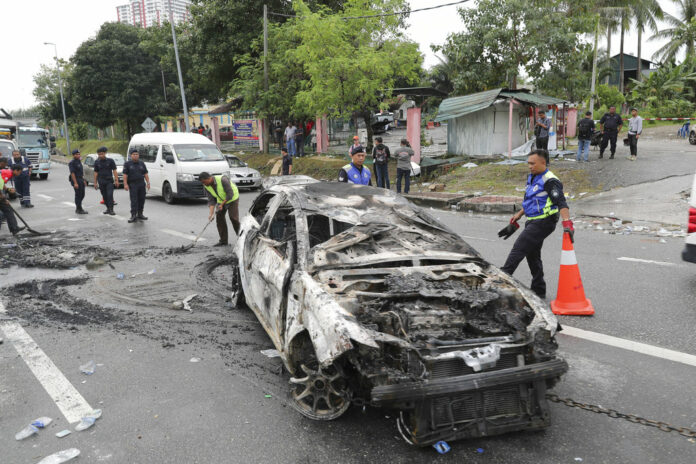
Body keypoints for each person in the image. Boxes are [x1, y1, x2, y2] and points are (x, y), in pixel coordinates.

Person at [498, 149, 573, 299]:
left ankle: (501, 281)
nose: (530, 166)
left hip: (545, 221)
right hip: (533, 220)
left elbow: (561, 202)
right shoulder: (532, 177)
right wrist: (518, 215)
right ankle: (539, 289)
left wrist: (567, 223)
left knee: (519, 247)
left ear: (543, 163)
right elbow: (531, 200)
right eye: (528, 164)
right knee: (532, 254)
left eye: (533, 163)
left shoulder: (550, 180)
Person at [199, 172, 240, 246]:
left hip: (233, 199)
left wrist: (222, 204)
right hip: (221, 200)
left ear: (209, 178)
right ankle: (223, 241)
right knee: (219, 218)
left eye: (204, 182)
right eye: (202, 183)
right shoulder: (206, 186)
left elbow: (230, 194)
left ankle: (241, 238)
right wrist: (211, 214)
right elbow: (211, 201)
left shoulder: (223, 180)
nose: (204, 184)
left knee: (233, 218)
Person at [123, 148, 150, 223]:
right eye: (134, 154)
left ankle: (140, 214)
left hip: (141, 183)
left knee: (142, 199)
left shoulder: (142, 163)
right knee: (134, 200)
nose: (135, 156)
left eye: (137, 154)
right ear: (131, 155)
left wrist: (148, 183)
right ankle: (133, 215)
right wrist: (125, 184)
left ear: (138, 155)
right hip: (133, 184)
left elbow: (145, 174)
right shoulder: (127, 164)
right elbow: (125, 175)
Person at [93, 146, 119, 215]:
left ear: (105, 153)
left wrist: (116, 180)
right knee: (104, 196)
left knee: (110, 195)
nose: (100, 155)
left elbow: (114, 170)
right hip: (101, 182)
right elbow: (95, 172)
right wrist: (95, 182)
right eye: (99, 154)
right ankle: (108, 208)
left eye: (102, 154)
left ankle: (111, 209)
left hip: (109, 181)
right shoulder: (96, 162)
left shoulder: (110, 161)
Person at [0, 158, 23, 236]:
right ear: (15, 170)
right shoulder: (8, 173)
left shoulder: (7, 173)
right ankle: (14, 228)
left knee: (8, 210)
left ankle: (14, 228)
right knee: (7, 209)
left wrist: (8, 189)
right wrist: (3, 197)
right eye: (19, 172)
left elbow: (2, 184)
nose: (19, 174)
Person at [68, 149, 88, 214]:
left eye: (79, 154)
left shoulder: (79, 161)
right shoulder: (72, 163)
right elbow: (72, 173)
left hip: (80, 179)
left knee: (82, 194)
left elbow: (81, 172)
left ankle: (78, 207)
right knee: (78, 195)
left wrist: (84, 180)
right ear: (73, 155)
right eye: (76, 154)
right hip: (76, 180)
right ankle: (79, 209)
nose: (78, 155)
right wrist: (75, 183)